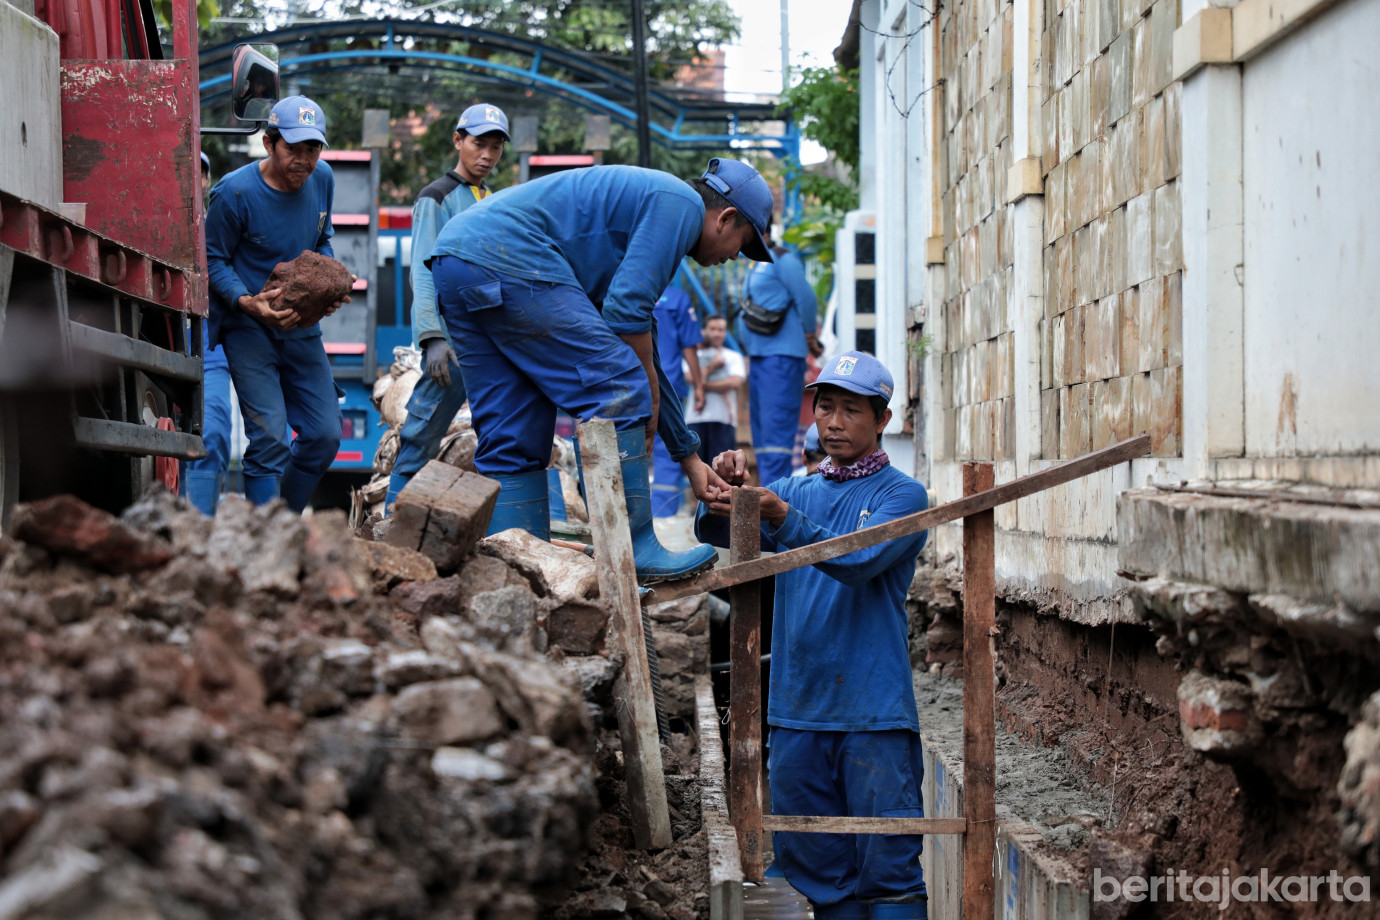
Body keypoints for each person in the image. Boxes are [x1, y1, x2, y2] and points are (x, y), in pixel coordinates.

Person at [427, 157, 775, 582]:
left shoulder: (640, 221)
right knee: (618, 386)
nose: (736, 257)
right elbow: (630, 325)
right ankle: (632, 548)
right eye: (743, 244)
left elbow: (641, 340)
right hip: (508, 256)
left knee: (513, 428)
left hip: (456, 260)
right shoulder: (680, 205)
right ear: (726, 217)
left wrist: (688, 456)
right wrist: (642, 391)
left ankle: (517, 563)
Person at [699, 351, 930, 919]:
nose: (833, 421)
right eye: (825, 406)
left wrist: (779, 517)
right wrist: (723, 491)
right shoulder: (796, 491)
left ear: (882, 420)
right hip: (798, 711)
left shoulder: (903, 496)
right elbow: (717, 530)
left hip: (872, 713)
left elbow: (857, 560)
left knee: (890, 871)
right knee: (819, 871)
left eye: (851, 410)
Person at [205, 95, 348, 511]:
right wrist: (247, 302)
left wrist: (330, 283)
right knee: (269, 437)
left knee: (325, 435)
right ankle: (266, 537)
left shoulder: (323, 180)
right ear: (269, 144)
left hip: (302, 328)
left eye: (312, 149)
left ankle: (280, 521)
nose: (303, 160)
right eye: (293, 148)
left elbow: (321, 240)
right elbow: (212, 259)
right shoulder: (234, 193)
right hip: (248, 328)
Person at [386, 102, 511, 509]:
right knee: (422, 431)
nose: (487, 155)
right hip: (452, 342)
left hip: (489, 338)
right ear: (458, 141)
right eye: (479, 144)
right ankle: (390, 522)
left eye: (496, 147)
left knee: (496, 434)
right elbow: (423, 271)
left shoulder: (492, 199)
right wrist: (432, 336)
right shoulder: (435, 198)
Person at [739, 233, 823, 484]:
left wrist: (809, 335)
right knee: (762, 435)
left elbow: (806, 298)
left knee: (776, 434)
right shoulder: (755, 263)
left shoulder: (784, 260)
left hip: (782, 357)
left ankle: (775, 498)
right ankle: (768, 493)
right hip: (759, 356)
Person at [184, 151, 235, 515]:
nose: (194, 179)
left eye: (200, 173)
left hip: (207, 348)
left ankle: (200, 530)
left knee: (213, 433)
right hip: (155, 340)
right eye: (186, 171)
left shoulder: (217, 228)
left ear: (206, 181)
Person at [651, 285, 705, 517]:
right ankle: (663, 513)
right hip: (667, 384)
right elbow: (689, 346)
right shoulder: (676, 298)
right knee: (668, 445)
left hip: (632, 380)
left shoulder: (627, 290)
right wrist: (699, 385)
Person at [684, 313, 745, 466]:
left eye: (721, 330)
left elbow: (735, 382)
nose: (717, 333)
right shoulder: (692, 355)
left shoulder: (733, 356)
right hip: (695, 419)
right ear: (704, 330)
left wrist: (701, 384)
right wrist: (713, 366)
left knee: (723, 468)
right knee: (697, 470)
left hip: (724, 419)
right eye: (713, 329)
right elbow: (689, 377)